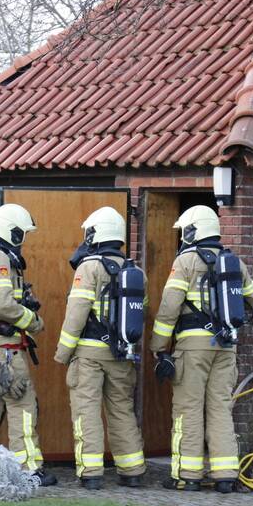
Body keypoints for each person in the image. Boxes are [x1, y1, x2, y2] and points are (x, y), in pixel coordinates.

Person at [150, 205, 253, 492]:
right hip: (226, 346)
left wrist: (159, 347)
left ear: (191, 231)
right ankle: (226, 475)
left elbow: (169, 307)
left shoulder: (186, 262)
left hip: (193, 347)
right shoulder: (233, 262)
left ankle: (188, 475)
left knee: (188, 409)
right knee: (220, 408)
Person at [54, 207, 146, 489]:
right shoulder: (136, 272)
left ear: (94, 233)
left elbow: (77, 313)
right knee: (122, 410)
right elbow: (143, 310)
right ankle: (133, 471)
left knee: (87, 411)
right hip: (121, 354)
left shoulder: (89, 267)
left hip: (89, 355)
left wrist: (63, 352)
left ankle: (91, 473)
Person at [0, 203, 57, 486]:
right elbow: (3, 304)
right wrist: (33, 320)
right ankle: (28, 468)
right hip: (2, 347)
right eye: (23, 234)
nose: (24, 239)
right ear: (13, 231)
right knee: (22, 402)